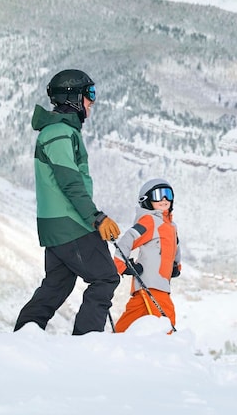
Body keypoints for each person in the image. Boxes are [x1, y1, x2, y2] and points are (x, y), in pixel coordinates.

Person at [14, 69, 122, 335]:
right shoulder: (59, 133)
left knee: (57, 285)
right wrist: (96, 218)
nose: (92, 101)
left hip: (57, 225)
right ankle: (85, 343)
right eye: (89, 94)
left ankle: (24, 336)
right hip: (71, 224)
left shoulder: (60, 131)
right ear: (72, 97)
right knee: (105, 277)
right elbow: (70, 183)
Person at [112, 178, 181, 332]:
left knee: (132, 319)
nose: (164, 199)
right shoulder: (150, 221)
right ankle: (169, 344)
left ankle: (114, 341)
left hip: (155, 284)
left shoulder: (171, 226)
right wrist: (121, 265)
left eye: (168, 194)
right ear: (147, 200)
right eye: (158, 195)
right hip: (151, 282)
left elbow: (175, 246)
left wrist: (177, 265)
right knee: (166, 320)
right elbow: (128, 239)